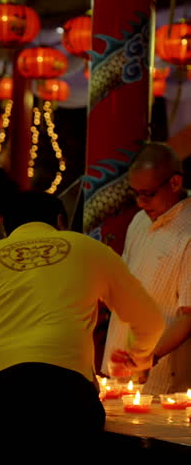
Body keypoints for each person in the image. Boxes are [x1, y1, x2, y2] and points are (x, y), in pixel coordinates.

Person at [0, 191, 165, 463]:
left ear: (7, 229)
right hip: (65, 393)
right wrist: (139, 357)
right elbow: (150, 320)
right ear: (61, 221)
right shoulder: (87, 247)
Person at [101, 143, 190, 394]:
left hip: (162, 378)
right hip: (118, 362)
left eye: (148, 194)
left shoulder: (189, 230)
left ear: (174, 183)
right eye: (135, 194)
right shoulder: (139, 220)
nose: (140, 203)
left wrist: (150, 357)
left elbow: (188, 315)